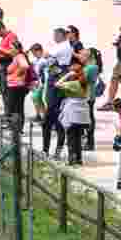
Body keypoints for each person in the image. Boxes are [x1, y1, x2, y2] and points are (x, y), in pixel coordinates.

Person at [41, 28, 72, 160]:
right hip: (55, 77)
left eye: (55, 35)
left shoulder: (63, 46)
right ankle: (47, 149)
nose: (53, 37)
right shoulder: (60, 46)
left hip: (58, 78)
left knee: (53, 118)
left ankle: (49, 150)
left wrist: (48, 54)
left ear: (60, 35)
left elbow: (46, 54)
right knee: (52, 119)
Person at [5, 40, 32, 133]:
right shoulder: (17, 57)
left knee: (14, 107)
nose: (10, 50)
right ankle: (17, 128)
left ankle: (16, 128)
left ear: (16, 49)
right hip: (17, 85)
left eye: (11, 48)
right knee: (17, 107)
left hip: (16, 86)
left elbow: (25, 66)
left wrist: (16, 74)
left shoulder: (19, 56)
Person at [82, 47, 103, 151]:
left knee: (88, 119)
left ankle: (90, 142)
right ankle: (88, 141)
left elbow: (82, 79)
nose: (81, 57)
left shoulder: (91, 67)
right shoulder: (91, 66)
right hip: (89, 95)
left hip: (88, 96)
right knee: (88, 118)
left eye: (84, 55)